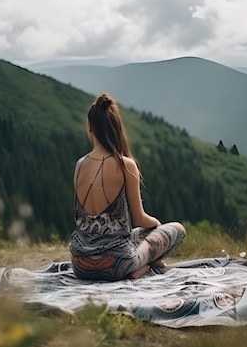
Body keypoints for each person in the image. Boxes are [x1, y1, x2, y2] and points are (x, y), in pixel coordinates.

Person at [70, 92, 186, 281]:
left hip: (80, 265)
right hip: (116, 264)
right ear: (115, 128)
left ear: (90, 127)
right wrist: (156, 225)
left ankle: (140, 267)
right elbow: (139, 219)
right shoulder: (125, 165)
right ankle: (140, 269)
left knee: (133, 235)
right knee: (177, 230)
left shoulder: (79, 165)